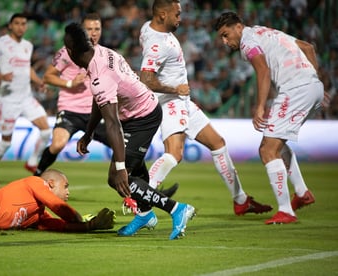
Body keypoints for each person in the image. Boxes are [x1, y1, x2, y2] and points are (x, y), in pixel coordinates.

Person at [139, 0, 272, 216]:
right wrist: (175, 88)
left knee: (218, 144)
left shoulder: (147, 28)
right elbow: (146, 79)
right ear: (163, 14)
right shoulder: (157, 43)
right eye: (177, 14)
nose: (180, 18)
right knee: (174, 154)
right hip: (171, 101)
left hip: (181, 100)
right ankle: (139, 198)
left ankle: (241, 200)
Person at [63, 22, 195, 240]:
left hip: (143, 117)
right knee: (133, 175)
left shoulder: (99, 76)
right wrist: (89, 133)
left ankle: (177, 209)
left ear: (70, 52)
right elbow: (101, 100)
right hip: (135, 114)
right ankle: (144, 214)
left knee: (117, 177)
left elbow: (112, 122)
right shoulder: (102, 52)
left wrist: (121, 167)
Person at [214, 12, 323, 224]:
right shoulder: (266, 32)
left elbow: (262, 70)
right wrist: (314, 80)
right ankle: (301, 193)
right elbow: (308, 47)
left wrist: (260, 106)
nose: (225, 42)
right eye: (221, 38)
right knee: (277, 145)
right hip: (311, 86)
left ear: (238, 27)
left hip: (296, 88)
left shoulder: (248, 41)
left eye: (226, 35)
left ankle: (286, 211)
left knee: (267, 150)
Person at [0, 136, 115, 232]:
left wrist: (92, 225)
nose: (68, 192)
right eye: (65, 186)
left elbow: (62, 226)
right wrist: (80, 218)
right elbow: (61, 209)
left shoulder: (38, 217)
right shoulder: (35, 182)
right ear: (50, 183)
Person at [33, 13, 109, 177]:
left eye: (97, 29)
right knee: (57, 145)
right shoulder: (66, 52)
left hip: (95, 112)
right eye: (89, 29)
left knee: (122, 146)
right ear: (82, 31)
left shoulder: (103, 53)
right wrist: (70, 83)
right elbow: (48, 76)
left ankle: (147, 186)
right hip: (70, 110)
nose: (94, 33)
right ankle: (37, 176)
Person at [0, 13, 52, 186]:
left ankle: (32, 161)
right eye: (17, 23)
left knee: (46, 130)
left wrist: (39, 82)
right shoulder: (0, 43)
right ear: (10, 26)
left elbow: (28, 70)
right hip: (8, 100)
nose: (21, 26)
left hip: (26, 97)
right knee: (6, 142)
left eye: (23, 23)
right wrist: (1, 75)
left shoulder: (28, 45)